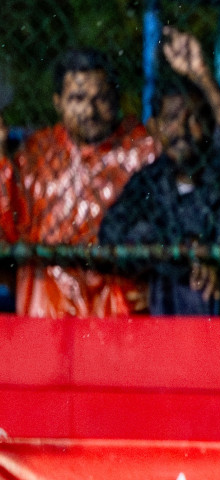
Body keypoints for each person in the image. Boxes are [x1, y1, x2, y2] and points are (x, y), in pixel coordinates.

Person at [99, 27, 220, 316]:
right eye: (172, 119)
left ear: (210, 127)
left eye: (195, 118)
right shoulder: (149, 182)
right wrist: (182, 252)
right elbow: (112, 234)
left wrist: (202, 77)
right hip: (170, 328)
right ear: (155, 128)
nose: (183, 130)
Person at [0, 49, 158, 317]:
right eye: (77, 98)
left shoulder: (142, 151)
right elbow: (7, 230)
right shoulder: (35, 155)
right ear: (58, 102)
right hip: (48, 310)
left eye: (101, 99)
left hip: (118, 315)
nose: (89, 111)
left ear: (116, 99)